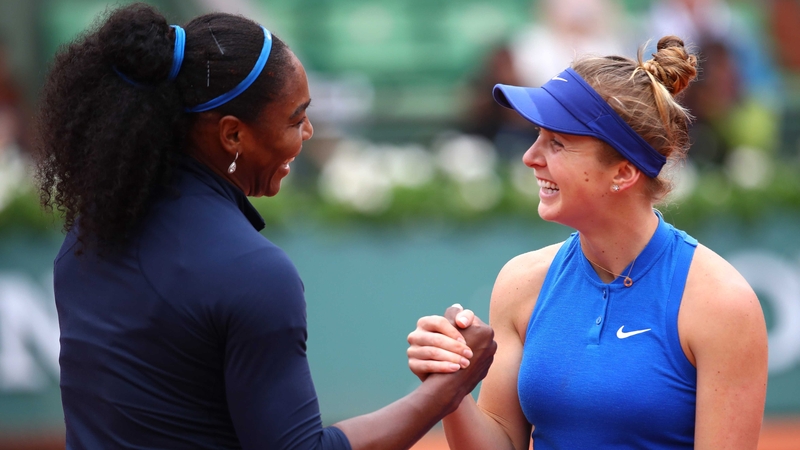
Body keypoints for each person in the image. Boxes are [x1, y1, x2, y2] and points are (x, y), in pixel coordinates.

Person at [33, 3, 496, 449]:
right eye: (296, 119)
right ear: (232, 134)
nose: (308, 133)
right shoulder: (253, 273)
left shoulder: (82, 239)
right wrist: (448, 388)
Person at [407, 36, 768, 449]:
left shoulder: (722, 304)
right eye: (537, 135)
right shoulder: (521, 282)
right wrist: (449, 389)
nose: (530, 156)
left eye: (556, 143)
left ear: (623, 172)